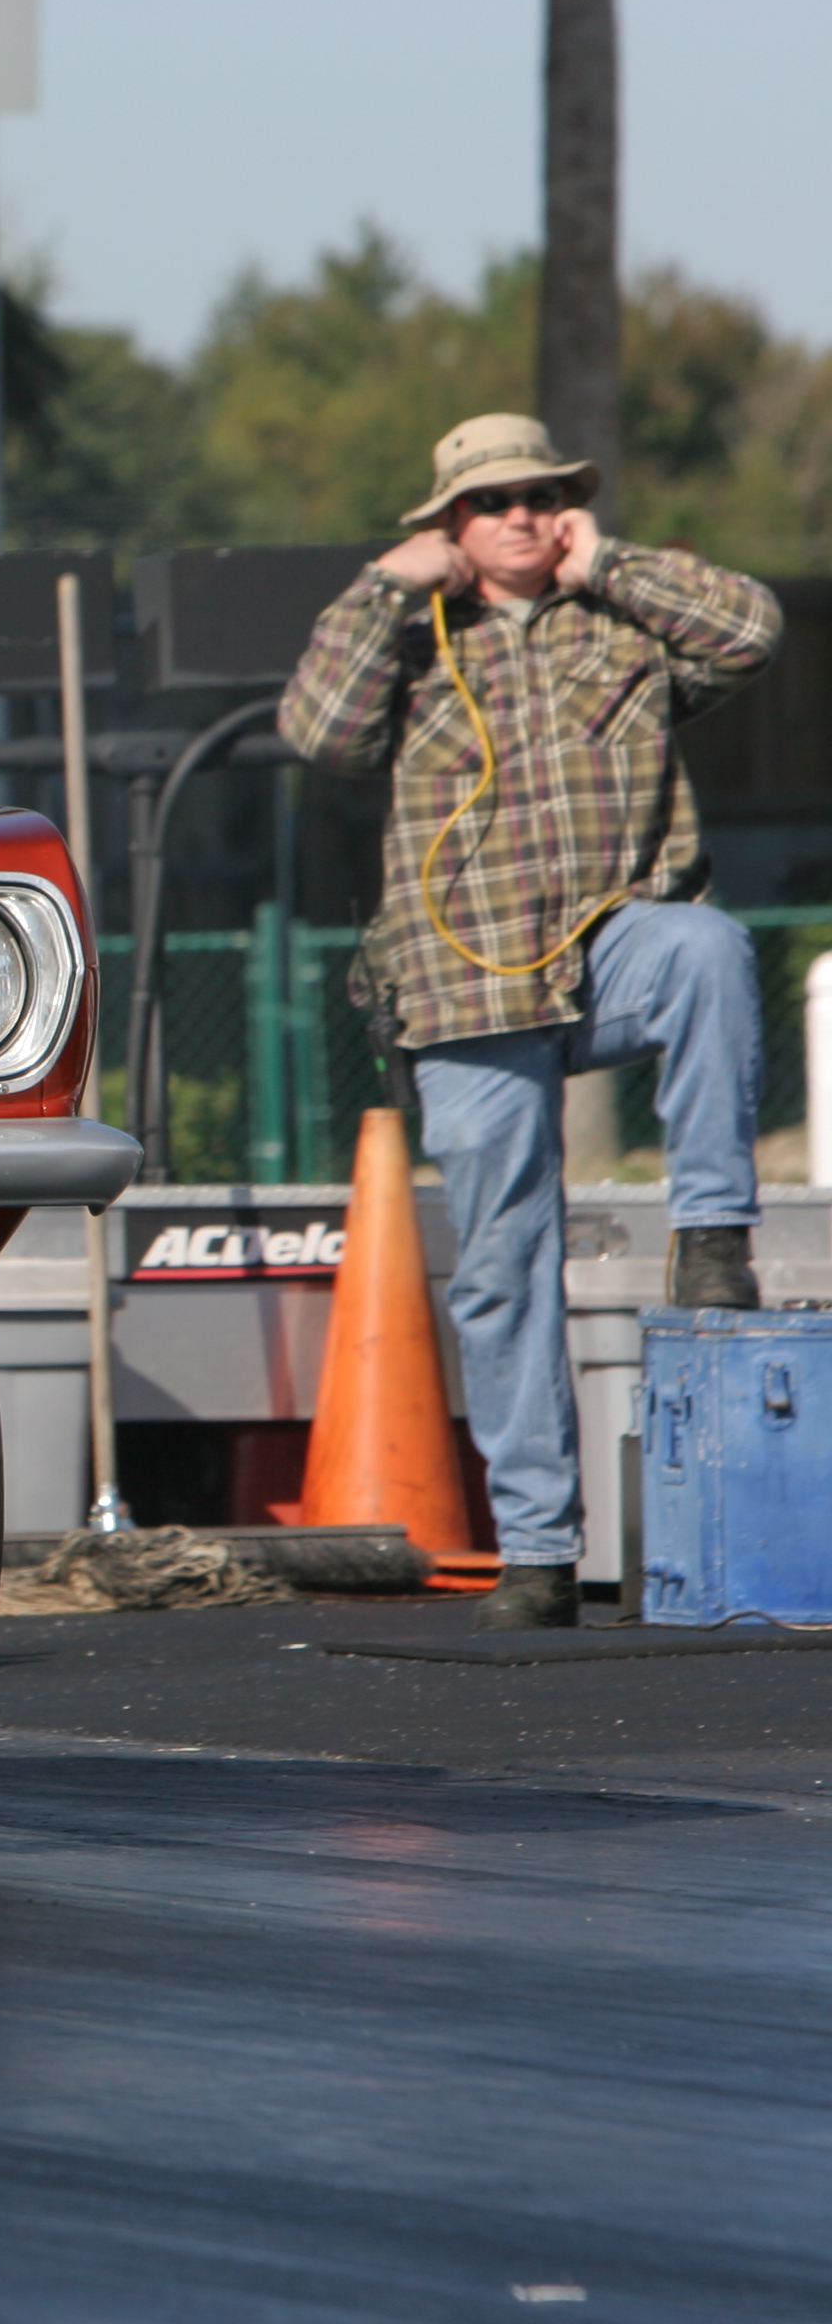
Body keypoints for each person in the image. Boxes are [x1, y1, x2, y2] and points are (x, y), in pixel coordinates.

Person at [283, 413, 782, 1630]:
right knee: (506, 1268)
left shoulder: (628, 620)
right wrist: (378, 589)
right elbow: (318, 732)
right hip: (467, 988)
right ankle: (540, 1549)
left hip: (614, 947)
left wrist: (606, 562)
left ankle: (713, 1224)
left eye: (539, 493)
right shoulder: (412, 642)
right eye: (492, 500)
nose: (519, 513)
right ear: (449, 526)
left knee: (708, 945)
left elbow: (754, 631)